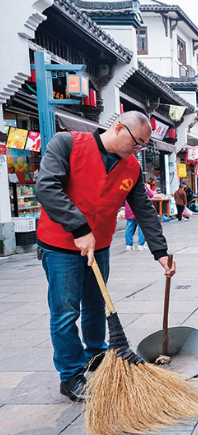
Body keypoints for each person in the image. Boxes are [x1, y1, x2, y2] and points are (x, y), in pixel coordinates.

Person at [35, 111, 176, 402]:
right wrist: (78, 226)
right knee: (65, 312)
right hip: (60, 245)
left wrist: (159, 251)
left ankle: (96, 356)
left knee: (96, 305)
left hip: (99, 246)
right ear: (118, 128)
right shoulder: (67, 144)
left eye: (142, 147)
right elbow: (46, 188)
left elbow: (144, 209)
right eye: (137, 143)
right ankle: (71, 375)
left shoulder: (132, 167)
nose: (137, 151)